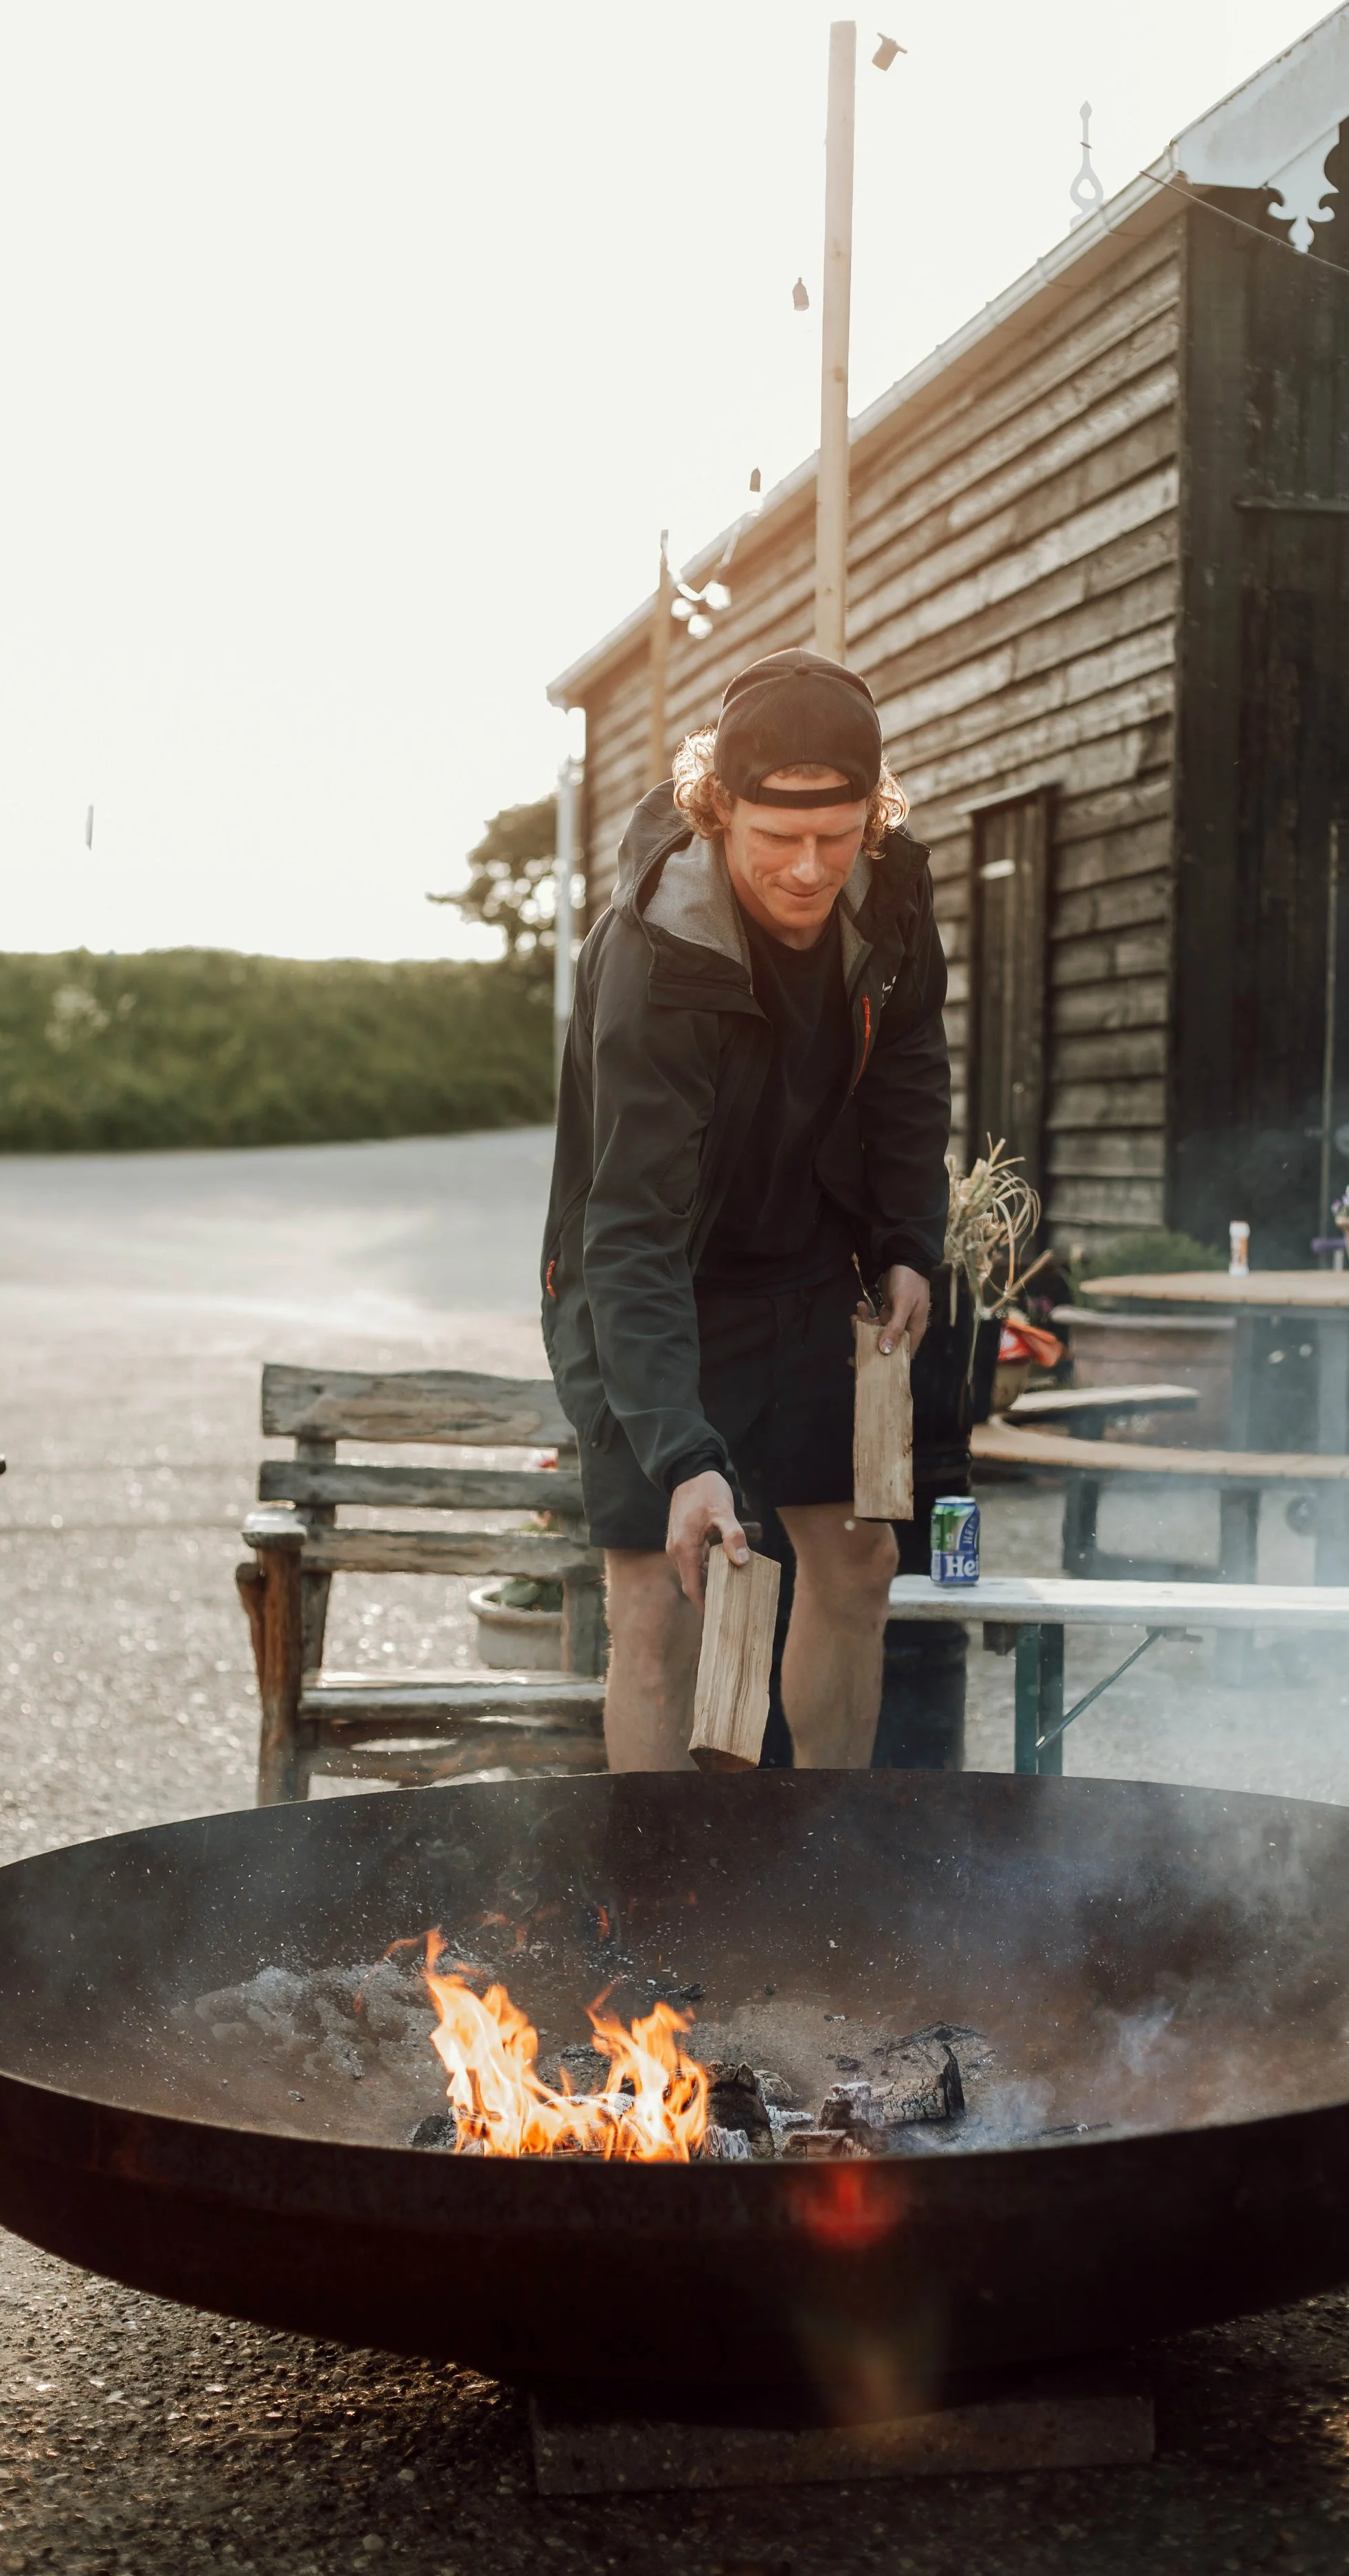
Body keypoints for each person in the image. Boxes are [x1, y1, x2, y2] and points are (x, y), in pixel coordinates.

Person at [541, 646, 951, 1770]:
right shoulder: (652, 955)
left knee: (860, 1560)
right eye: (778, 840)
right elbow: (626, 1230)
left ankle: (826, 1870)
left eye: (839, 835)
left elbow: (913, 1077)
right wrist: (682, 1454)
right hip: (648, 1279)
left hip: (809, 1271)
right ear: (717, 809)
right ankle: (663, 1916)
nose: (812, 870)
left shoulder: (896, 899)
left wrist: (913, 1240)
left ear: (875, 810)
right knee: (659, 1598)